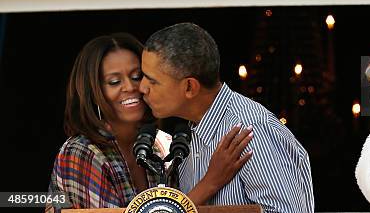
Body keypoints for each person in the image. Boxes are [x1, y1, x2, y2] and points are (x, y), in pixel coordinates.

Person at [47, 33, 252, 211]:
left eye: (138, 76)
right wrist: (210, 182)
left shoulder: (162, 144)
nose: (131, 87)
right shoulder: (81, 151)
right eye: (114, 82)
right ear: (93, 92)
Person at [139, 23, 315, 213]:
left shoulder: (250, 130)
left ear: (190, 87)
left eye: (152, 81)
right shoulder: (190, 132)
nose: (142, 87)